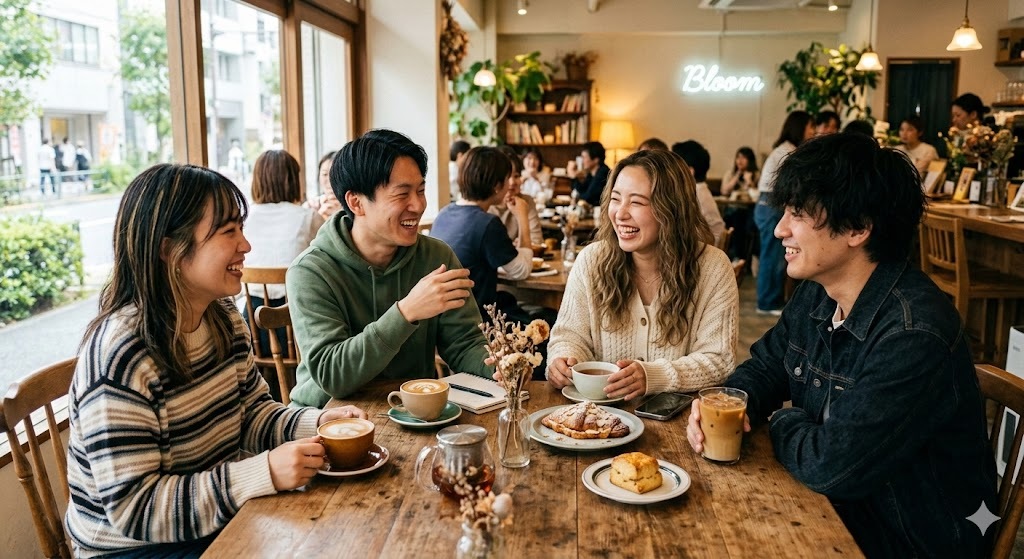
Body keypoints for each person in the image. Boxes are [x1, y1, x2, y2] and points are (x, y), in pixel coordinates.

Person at [686, 133, 997, 558]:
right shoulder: (821, 291)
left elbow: (829, 465)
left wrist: (779, 421)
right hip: (835, 510)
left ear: (857, 227)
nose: (779, 229)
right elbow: (764, 366)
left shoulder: (913, 333)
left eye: (797, 213)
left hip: (904, 538)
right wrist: (731, 404)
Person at [65, 163, 366, 557]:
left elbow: (253, 415)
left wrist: (318, 422)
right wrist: (263, 472)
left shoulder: (224, 318)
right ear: (169, 249)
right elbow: (135, 508)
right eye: (228, 232)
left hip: (213, 518)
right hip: (132, 548)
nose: (246, 245)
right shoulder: (122, 354)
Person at [286, 129, 492, 407]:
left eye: (420, 190)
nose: (418, 205)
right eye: (402, 194)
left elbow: (464, 343)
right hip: (329, 422)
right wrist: (406, 312)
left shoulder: (435, 257)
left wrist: (499, 367)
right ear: (356, 202)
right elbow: (332, 375)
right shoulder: (311, 271)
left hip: (414, 412)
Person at [546, 149, 738, 400]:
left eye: (636, 202)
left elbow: (719, 360)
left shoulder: (712, 267)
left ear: (671, 209)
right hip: (600, 421)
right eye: (616, 199)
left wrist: (654, 376)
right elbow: (569, 335)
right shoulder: (591, 260)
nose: (620, 213)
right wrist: (563, 360)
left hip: (680, 427)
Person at [431, 146, 533, 321]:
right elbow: (522, 271)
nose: (510, 184)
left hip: (445, 319)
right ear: (497, 185)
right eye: (508, 178)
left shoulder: (444, 214)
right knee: (548, 321)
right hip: (476, 322)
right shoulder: (487, 224)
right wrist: (523, 217)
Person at [243, 149, 325, 362]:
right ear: (293, 180)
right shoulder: (307, 218)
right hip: (296, 322)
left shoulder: (244, 218)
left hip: (252, 328)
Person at [755, 110, 814, 315]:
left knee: (772, 254)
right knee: (772, 256)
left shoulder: (786, 149)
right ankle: (767, 302)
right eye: (810, 127)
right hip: (771, 205)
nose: (813, 131)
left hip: (766, 204)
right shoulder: (787, 152)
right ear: (800, 128)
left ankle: (769, 300)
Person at [671, 140, 725, 245]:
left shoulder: (694, 195)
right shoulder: (700, 190)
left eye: (674, 166)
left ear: (689, 171)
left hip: (705, 254)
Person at [489, 146, 543, 247]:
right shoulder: (486, 205)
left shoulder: (526, 201)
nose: (512, 182)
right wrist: (520, 244)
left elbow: (536, 241)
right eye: (507, 176)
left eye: (516, 176)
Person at [568, 141, 611, 206]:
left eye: (584, 157)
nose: (582, 161)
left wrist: (574, 178)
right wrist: (573, 177)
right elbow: (581, 190)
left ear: (596, 159)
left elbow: (588, 198)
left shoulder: (603, 173)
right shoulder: (591, 173)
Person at [305, 150, 342, 220]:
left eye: (335, 174)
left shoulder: (353, 206)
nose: (330, 180)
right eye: (324, 174)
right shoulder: (310, 206)